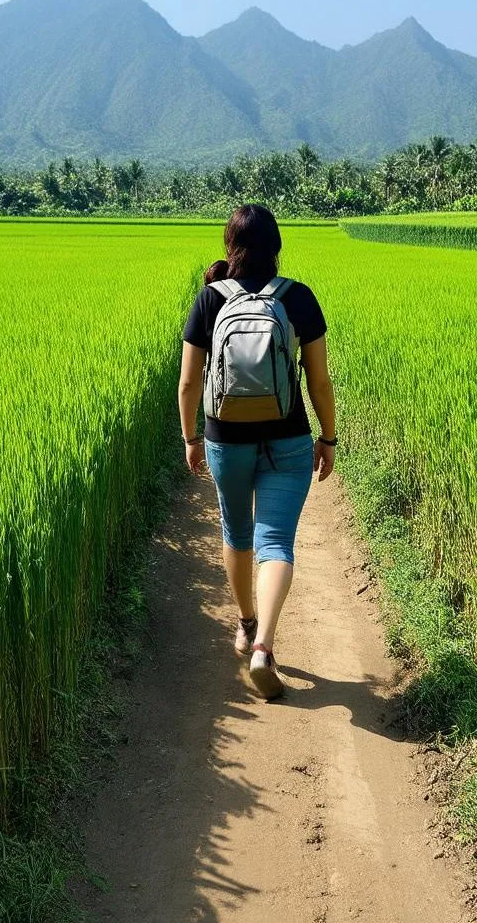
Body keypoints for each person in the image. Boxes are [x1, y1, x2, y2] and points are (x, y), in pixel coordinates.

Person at [178, 204, 337, 700]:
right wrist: (327, 439)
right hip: (288, 439)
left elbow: (187, 383)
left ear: (230, 247)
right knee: (276, 544)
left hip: (226, 438)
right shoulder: (300, 299)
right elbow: (319, 382)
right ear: (277, 247)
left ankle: (246, 625)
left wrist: (191, 439)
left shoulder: (209, 299)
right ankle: (266, 646)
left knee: (237, 532)